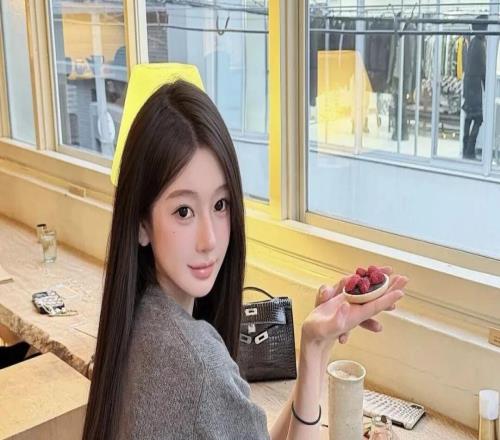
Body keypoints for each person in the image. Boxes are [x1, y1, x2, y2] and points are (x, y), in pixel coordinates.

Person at [82, 79, 407, 439]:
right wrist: (314, 355)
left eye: (220, 204)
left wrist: (316, 346)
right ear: (142, 223)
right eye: (184, 211)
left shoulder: (139, 320)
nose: (209, 239)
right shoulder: (198, 365)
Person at [462, 16, 487, 160]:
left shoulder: (472, 42)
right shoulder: (480, 44)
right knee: (478, 118)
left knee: (469, 117)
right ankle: (470, 149)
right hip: (475, 86)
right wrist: (487, 86)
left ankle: (465, 146)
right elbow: (483, 69)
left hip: (468, 83)